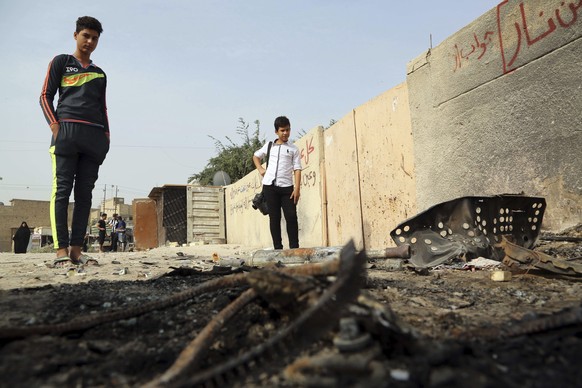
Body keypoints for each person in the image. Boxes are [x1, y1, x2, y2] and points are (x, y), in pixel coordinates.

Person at [40, 16, 109, 267]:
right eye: (86, 36)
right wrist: (56, 128)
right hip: (66, 135)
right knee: (61, 192)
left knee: (85, 196)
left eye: (95, 38)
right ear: (76, 35)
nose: (89, 41)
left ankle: (77, 251)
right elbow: (45, 96)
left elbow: (103, 109)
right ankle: (61, 252)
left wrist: (106, 139)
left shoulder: (99, 73)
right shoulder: (62, 62)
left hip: (94, 138)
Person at [252, 116, 302, 249]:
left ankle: (294, 248)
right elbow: (256, 156)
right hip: (270, 187)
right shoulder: (269, 145)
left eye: (288, 130)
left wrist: (297, 189)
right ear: (276, 132)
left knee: (291, 217)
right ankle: (277, 249)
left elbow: (297, 168)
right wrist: (261, 169)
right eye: (282, 130)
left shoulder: (293, 149)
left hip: (287, 188)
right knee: (274, 218)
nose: (285, 133)